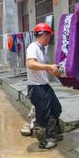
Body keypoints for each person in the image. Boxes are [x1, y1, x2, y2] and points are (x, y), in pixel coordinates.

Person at [26, 22, 63, 150]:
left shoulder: (42, 49)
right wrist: (49, 67)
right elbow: (31, 64)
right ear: (43, 35)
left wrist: (57, 73)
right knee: (42, 115)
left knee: (56, 108)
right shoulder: (33, 47)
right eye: (49, 36)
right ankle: (43, 142)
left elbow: (44, 67)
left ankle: (51, 134)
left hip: (44, 85)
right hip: (36, 87)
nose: (50, 39)